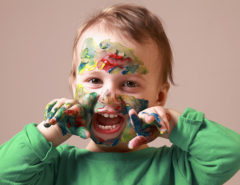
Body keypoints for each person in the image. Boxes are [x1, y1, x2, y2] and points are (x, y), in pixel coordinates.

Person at [0, 3, 239, 185]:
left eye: (129, 84)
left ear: (159, 97)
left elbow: (231, 153)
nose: (109, 96)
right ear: (74, 87)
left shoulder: (175, 168)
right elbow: (4, 172)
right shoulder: (56, 167)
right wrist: (53, 130)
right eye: (94, 80)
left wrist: (174, 123)